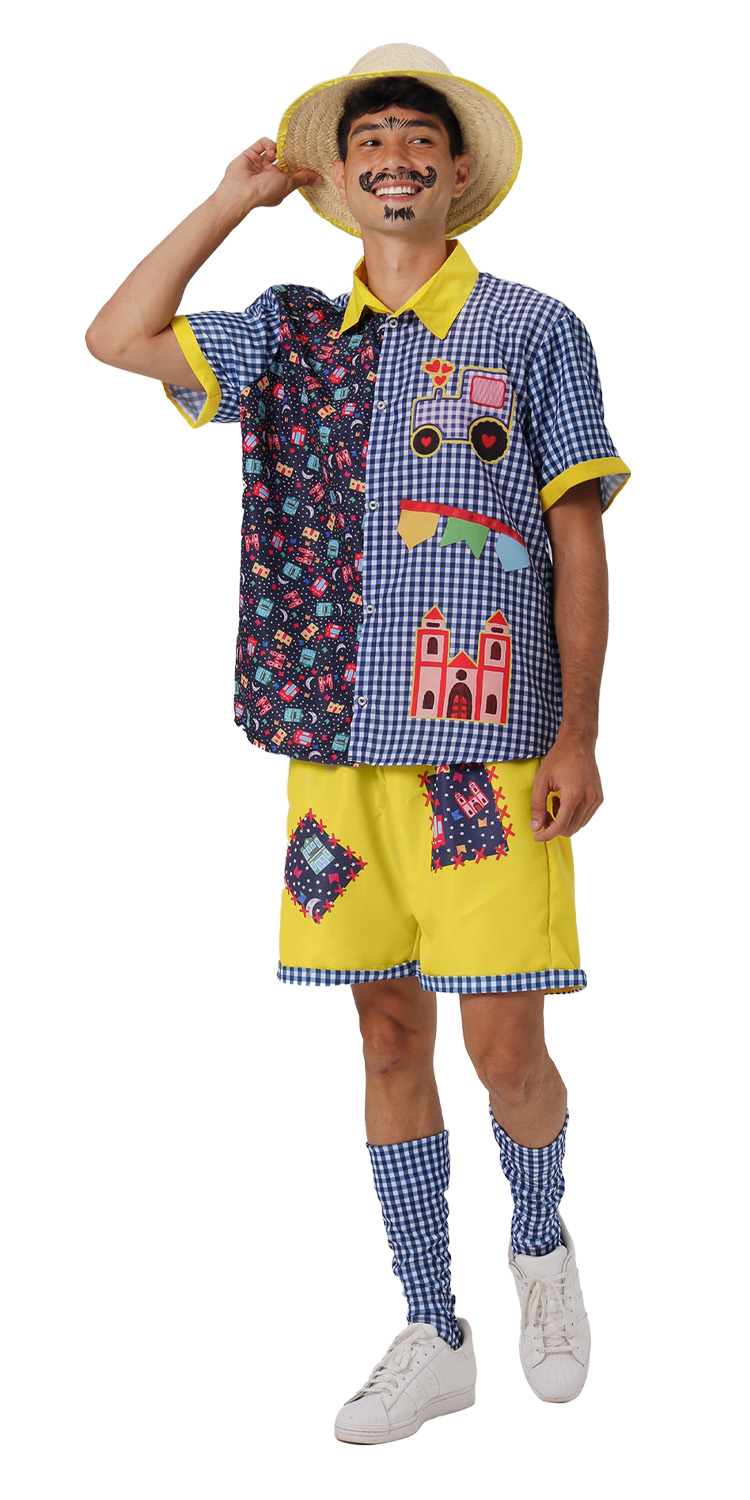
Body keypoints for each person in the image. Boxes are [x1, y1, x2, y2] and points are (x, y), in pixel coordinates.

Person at [86, 43, 631, 1444]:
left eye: (417, 140)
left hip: (488, 750)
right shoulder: (290, 336)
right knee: (386, 1033)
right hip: (332, 743)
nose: (395, 157)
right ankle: (431, 1326)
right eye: (369, 139)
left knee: (504, 1044)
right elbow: (118, 337)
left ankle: (540, 1246)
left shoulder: (531, 329)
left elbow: (576, 537)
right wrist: (232, 200)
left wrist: (578, 731)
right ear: (339, 175)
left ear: (457, 172)